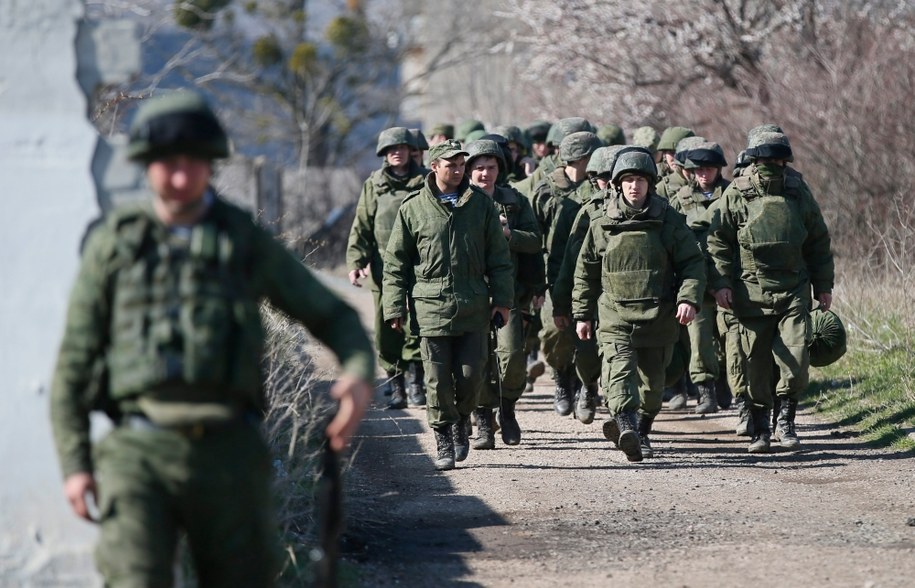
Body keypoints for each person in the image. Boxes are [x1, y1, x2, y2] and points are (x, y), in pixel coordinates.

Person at [50, 90, 375, 587]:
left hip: (229, 453)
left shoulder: (240, 239)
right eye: (168, 165)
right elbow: (74, 361)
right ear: (147, 165)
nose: (181, 178)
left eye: (194, 163)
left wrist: (356, 371)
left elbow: (332, 314)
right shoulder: (116, 244)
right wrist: (75, 463)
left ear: (211, 165)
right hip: (138, 455)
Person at [382, 139, 514, 470]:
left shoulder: (480, 206)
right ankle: (443, 435)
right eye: (450, 165)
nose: (457, 170)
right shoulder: (413, 208)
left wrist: (503, 301)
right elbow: (396, 263)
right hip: (430, 307)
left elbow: (499, 259)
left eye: (460, 165)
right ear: (434, 166)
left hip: (473, 306)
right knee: (437, 380)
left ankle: (461, 420)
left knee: (471, 378)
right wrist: (395, 307)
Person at [573, 149, 705, 462]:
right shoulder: (602, 223)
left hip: (658, 316)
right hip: (615, 315)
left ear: (650, 184)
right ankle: (626, 424)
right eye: (629, 180)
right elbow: (586, 271)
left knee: (653, 385)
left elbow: (692, 264)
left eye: (641, 180)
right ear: (618, 184)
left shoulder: (668, 220)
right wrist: (582, 314)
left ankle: (641, 430)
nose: (635, 186)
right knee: (618, 376)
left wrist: (688, 298)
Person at [706, 131, 834, 453]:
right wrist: (721, 284)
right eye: (767, 161)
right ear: (754, 160)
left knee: (796, 359)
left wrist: (824, 286)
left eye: (778, 160)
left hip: (793, 290)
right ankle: (760, 429)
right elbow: (718, 241)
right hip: (750, 293)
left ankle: (786, 421)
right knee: (756, 365)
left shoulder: (797, 191)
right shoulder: (737, 193)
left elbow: (817, 240)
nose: (773, 166)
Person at [464, 139, 542, 448]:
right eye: (479, 168)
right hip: (470, 295)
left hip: (509, 294)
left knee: (512, 358)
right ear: (468, 171)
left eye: (491, 168)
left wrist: (510, 236)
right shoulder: (459, 202)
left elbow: (535, 243)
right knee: (479, 361)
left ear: (500, 169)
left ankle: (508, 408)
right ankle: (484, 420)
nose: (485, 174)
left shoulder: (514, 201)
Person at [550, 144, 634, 423]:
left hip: (630, 296)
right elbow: (568, 263)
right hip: (592, 294)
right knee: (586, 353)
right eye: (601, 177)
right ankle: (588, 386)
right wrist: (562, 305)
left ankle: (620, 409)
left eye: (614, 177)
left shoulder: (647, 209)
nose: (608, 183)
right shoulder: (585, 212)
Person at [347, 126, 427, 408]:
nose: (397, 153)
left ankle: (417, 382)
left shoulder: (426, 180)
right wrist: (357, 261)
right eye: (391, 149)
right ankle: (396, 386)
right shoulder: (375, 184)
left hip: (421, 264)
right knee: (386, 327)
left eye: (402, 148)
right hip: (384, 266)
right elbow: (363, 225)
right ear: (384, 154)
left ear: (410, 150)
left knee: (416, 323)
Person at [534, 131, 603, 417]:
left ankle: (588, 386)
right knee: (554, 331)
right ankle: (562, 378)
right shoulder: (547, 189)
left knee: (591, 333)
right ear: (580, 157)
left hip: (592, 270)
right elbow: (535, 235)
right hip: (556, 270)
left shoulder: (599, 186)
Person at [669, 141, 732, 414]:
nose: (704, 174)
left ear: (718, 169)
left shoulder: (733, 194)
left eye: (709, 168)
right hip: (696, 280)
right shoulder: (680, 199)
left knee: (732, 338)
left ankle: (730, 383)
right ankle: (706, 390)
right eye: (699, 169)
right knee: (700, 338)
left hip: (730, 278)